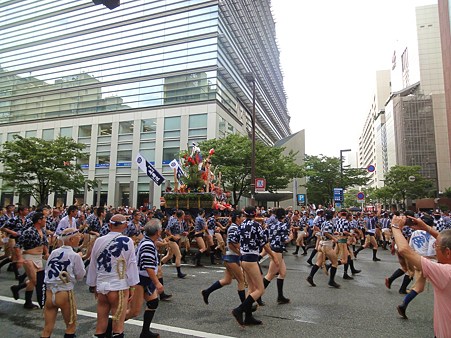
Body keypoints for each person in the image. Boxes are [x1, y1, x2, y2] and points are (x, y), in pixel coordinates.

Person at [391, 214, 451, 337]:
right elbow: (445, 242)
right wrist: (426, 228)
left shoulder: (445, 272)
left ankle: (403, 301)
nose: (435, 247)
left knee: (418, 285)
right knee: (419, 285)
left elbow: (404, 249)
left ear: (448, 252)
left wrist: (395, 227)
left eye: (437, 247)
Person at [86, 214, 140, 338]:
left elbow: (93, 264)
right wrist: (133, 286)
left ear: (109, 225)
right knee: (118, 325)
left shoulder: (99, 240)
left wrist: (93, 284)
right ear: (125, 226)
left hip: (102, 284)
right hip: (119, 285)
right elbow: (131, 264)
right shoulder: (127, 241)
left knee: (101, 323)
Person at [231, 206, 278, 327]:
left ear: (245, 214)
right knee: (260, 289)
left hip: (243, 258)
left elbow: (233, 241)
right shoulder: (256, 226)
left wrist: (241, 250)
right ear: (255, 213)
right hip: (251, 259)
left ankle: (248, 317)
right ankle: (239, 310)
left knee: (251, 289)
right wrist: (273, 256)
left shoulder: (240, 225)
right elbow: (264, 244)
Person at [41, 228, 86, 338]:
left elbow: (47, 270)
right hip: (64, 293)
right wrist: (80, 258)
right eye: (78, 237)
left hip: (49, 292)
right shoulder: (74, 255)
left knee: (47, 328)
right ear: (71, 239)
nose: (80, 239)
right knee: (71, 326)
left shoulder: (54, 252)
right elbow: (80, 276)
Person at [125, 219, 164, 338]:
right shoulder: (148, 244)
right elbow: (148, 267)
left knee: (153, 302)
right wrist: (157, 283)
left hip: (144, 279)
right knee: (134, 311)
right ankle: (109, 326)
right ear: (157, 232)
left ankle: (145, 332)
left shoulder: (147, 241)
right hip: (140, 280)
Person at [396, 214, 436, 320]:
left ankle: (404, 305)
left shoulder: (415, 232)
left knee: (419, 287)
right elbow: (431, 251)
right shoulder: (431, 233)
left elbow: (410, 247)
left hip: (417, 259)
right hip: (428, 262)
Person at [201, 211, 246, 304]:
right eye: (242, 217)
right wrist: (240, 252)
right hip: (232, 257)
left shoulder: (235, 227)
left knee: (227, 280)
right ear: (237, 217)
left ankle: (207, 291)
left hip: (230, 257)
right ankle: (245, 306)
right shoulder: (234, 227)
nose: (244, 218)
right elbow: (231, 243)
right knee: (241, 281)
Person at [12, 211, 49, 309]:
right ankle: (28, 301)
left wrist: (47, 253)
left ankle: (19, 290)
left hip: (38, 257)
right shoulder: (29, 231)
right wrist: (19, 258)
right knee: (35, 280)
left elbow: (44, 243)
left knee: (34, 281)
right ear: (39, 220)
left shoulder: (43, 231)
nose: (46, 220)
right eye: (44, 219)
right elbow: (17, 245)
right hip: (29, 257)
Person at [306, 209, 340, 288]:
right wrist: (334, 238)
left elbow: (324, 231)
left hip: (321, 244)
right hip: (327, 244)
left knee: (318, 262)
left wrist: (334, 234)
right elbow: (325, 232)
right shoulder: (330, 223)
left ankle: (310, 276)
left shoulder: (324, 223)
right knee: (335, 263)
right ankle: (331, 281)